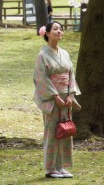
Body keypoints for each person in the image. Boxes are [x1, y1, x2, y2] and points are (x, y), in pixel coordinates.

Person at [33, 21, 81, 178]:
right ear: (47, 33)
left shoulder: (65, 54)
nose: (59, 31)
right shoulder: (42, 55)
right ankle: (50, 168)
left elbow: (71, 75)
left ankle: (61, 166)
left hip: (66, 98)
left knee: (65, 131)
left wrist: (71, 94)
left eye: (61, 29)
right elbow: (41, 78)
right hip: (51, 99)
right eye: (55, 29)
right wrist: (55, 97)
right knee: (52, 132)